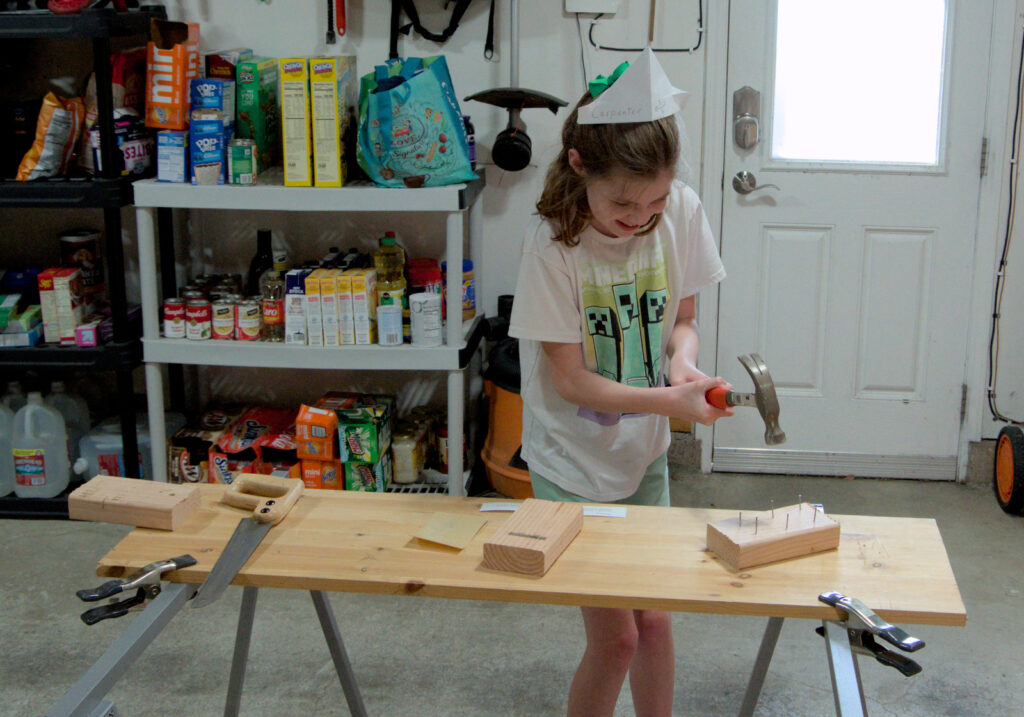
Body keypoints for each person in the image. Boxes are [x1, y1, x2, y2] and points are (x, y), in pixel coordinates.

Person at [507, 49, 733, 717]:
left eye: (655, 200)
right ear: (580, 166)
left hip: (642, 457)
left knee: (656, 623)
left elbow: (683, 319)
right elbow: (572, 381)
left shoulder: (680, 210)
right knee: (617, 639)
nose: (641, 218)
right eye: (623, 204)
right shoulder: (553, 245)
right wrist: (670, 400)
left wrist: (682, 363)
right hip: (570, 464)